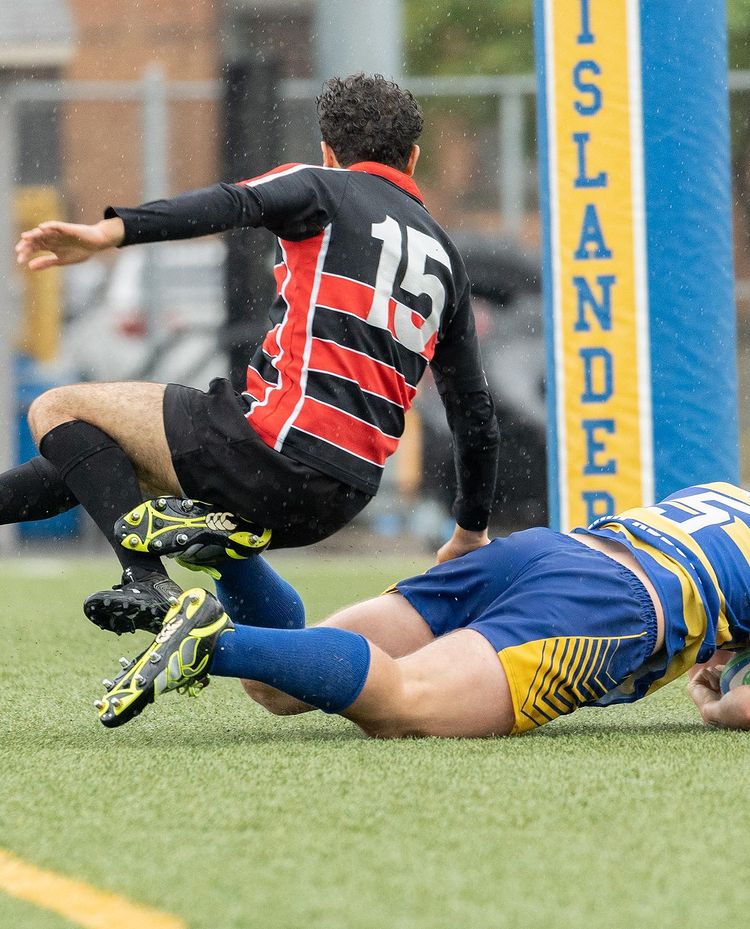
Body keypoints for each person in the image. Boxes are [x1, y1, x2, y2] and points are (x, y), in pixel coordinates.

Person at [10, 74, 499, 635]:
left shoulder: (323, 186)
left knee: (56, 410)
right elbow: (474, 416)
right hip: (339, 498)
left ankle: (146, 580)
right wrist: (470, 529)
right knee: (86, 461)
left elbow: (232, 203)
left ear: (328, 151)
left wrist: (111, 233)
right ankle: (216, 554)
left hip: (269, 451)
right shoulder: (449, 261)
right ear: (413, 157)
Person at [96, 481, 750, 734]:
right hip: (611, 606)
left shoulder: (729, 489)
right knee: (401, 704)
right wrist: (716, 706)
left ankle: (230, 553)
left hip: (545, 551)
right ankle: (215, 639)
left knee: (275, 684)